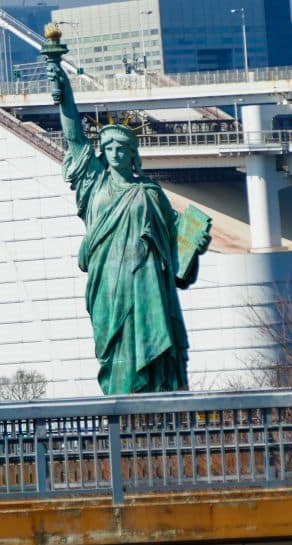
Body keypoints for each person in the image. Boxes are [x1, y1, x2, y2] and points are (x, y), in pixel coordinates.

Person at [47, 60, 210, 395]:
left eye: (122, 148)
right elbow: (75, 138)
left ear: (133, 155)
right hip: (109, 283)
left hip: (147, 282)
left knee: (154, 350)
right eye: (109, 149)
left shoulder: (150, 193)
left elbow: (176, 235)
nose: (116, 153)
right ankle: (121, 412)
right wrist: (64, 93)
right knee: (115, 351)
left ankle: (160, 412)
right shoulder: (93, 184)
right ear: (103, 154)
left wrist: (196, 240)